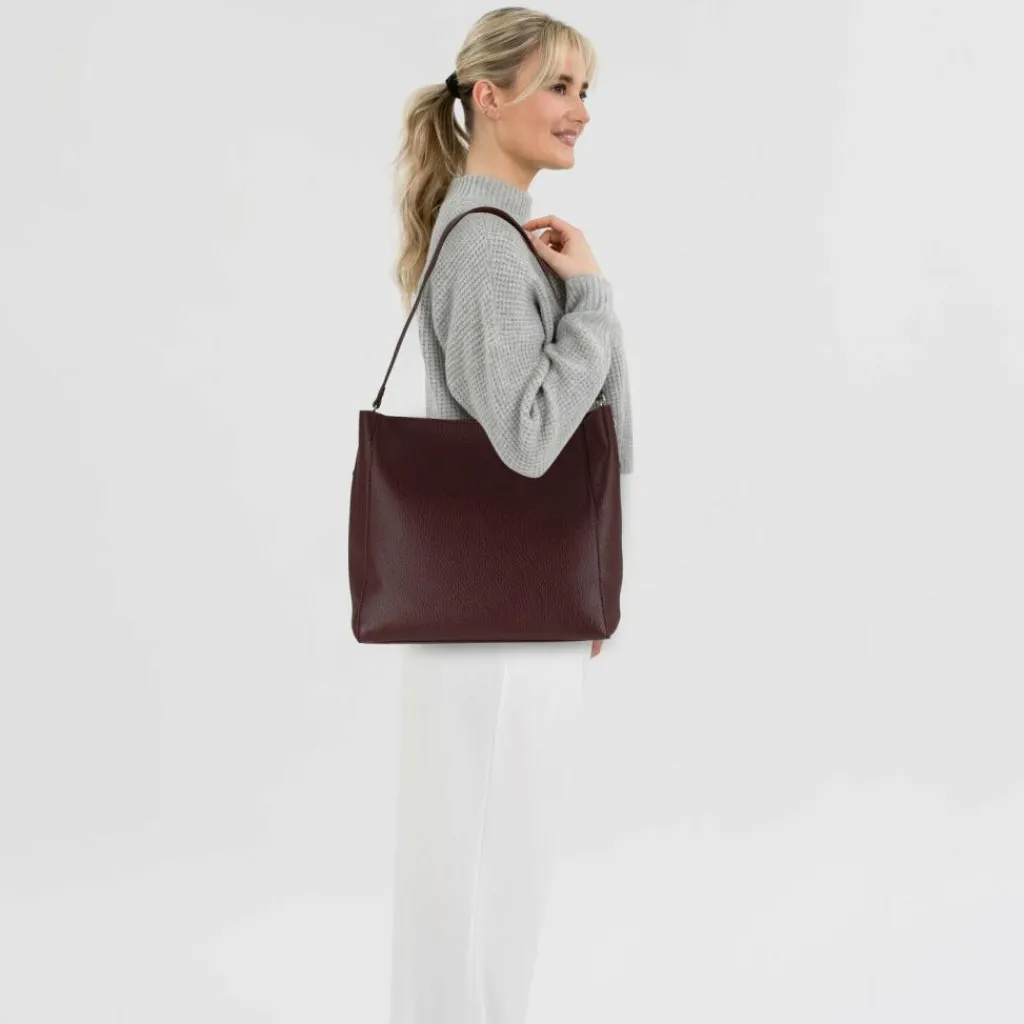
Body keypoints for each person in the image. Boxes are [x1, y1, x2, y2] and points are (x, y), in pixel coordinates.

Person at [386, 8, 634, 1023]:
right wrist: (594, 301)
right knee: (488, 887)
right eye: (559, 87)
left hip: (505, 613)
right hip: (495, 628)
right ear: (488, 96)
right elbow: (531, 435)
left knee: (480, 882)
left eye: (585, 91)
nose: (581, 111)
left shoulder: (498, 235)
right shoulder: (490, 251)